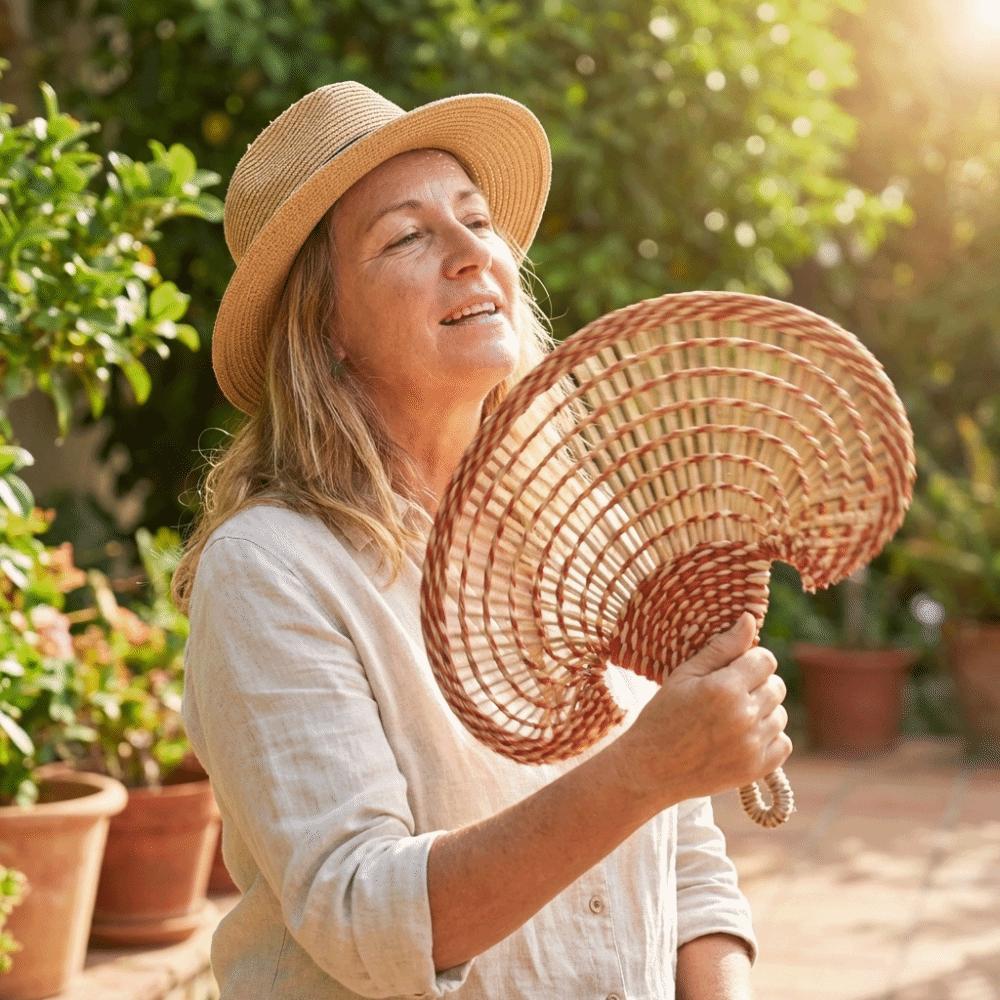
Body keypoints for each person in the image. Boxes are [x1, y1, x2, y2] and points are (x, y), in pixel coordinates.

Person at [173, 81, 792, 1000]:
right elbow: (363, 913)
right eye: (408, 236)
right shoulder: (272, 572)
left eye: (475, 219)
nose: (472, 253)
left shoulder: (584, 528)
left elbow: (686, 857)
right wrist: (646, 767)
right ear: (326, 329)